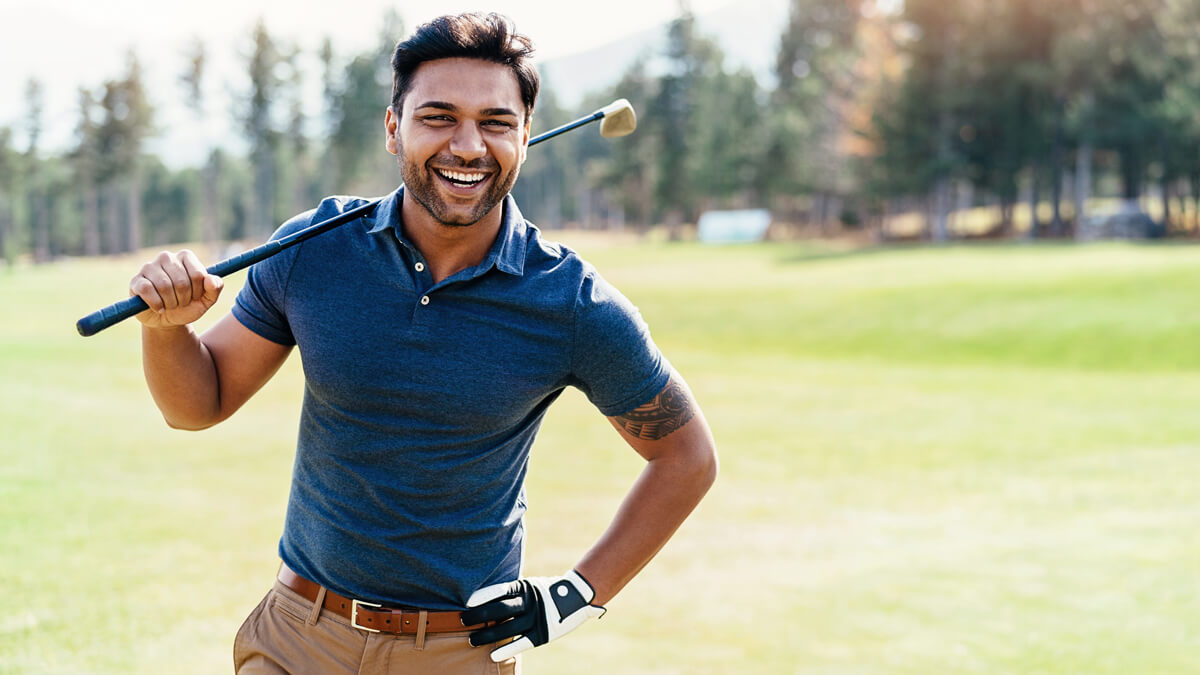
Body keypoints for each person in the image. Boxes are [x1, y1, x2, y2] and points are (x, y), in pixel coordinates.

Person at [129, 12, 717, 674]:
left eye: (495, 122)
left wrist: (573, 596)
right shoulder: (314, 247)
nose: (467, 145)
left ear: (526, 136)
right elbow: (197, 403)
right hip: (298, 636)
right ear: (393, 128)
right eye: (438, 116)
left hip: (458, 652)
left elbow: (687, 456)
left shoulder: (572, 301)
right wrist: (166, 329)